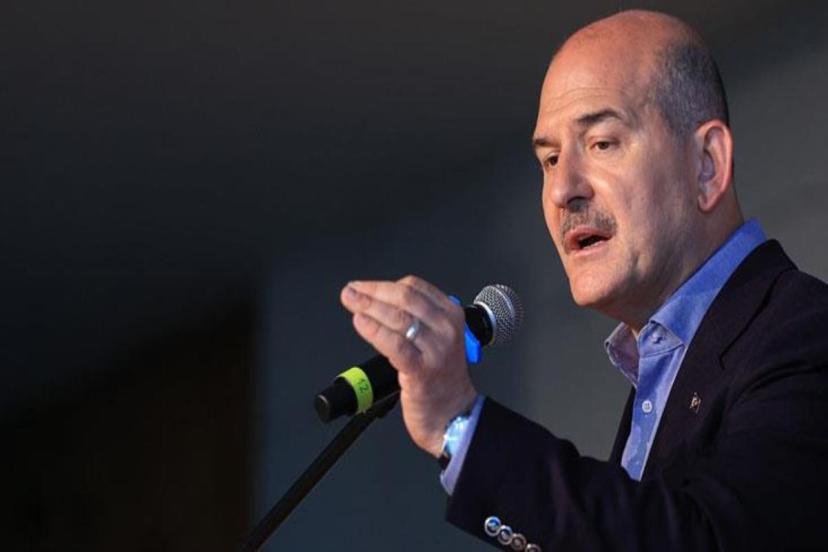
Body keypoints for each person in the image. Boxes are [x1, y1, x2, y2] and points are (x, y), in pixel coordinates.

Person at [340, 9, 828, 551]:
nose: (561, 191)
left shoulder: (805, 333)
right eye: (550, 159)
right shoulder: (663, 367)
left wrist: (460, 423)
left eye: (601, 143)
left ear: (707, 164)